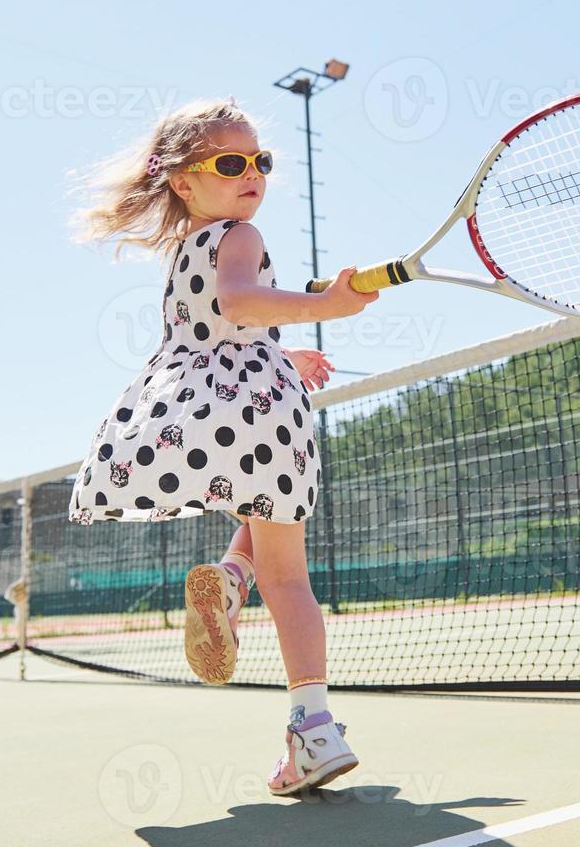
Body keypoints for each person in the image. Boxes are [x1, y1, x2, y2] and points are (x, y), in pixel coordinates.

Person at [67, 99, 377, 797]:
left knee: (255, 513)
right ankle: (313, 730)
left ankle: (232, 582)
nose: (251, 175)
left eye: (258, 162)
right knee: (289, 576)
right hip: (263, 411)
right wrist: (326, 307)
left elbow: (224, 323)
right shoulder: (241, 234)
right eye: (230, 163)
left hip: (196, 408)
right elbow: (240, 305)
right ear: (182, 180)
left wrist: (283, 347)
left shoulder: (184, 251)